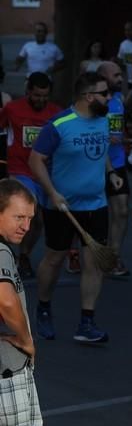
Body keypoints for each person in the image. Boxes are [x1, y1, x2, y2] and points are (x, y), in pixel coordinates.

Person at [28, 72, 119, 344]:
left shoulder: (103, 121)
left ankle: (86, 322)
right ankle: (43, 307)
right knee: (54, 259)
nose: (109, 98)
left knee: (93, 264)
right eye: (104, 93)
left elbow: (100, 153)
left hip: (97, 204)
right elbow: (35, 160)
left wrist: (111, 172)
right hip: (62, 207)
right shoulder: (59, 125)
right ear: (88, 96)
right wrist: (52, 193)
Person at [0, 179, 42, 426]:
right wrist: (26, 339)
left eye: (29, 219)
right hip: (7, 375)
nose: (26, 226)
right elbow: (6, 299)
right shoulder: (0, 252)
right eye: (18, 217)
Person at [0, 72, 60, 279]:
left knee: (38, 221)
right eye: (36, 95)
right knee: (27, 206)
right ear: (28, 92)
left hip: (44, 173)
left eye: (45, 96)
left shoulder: (56, 113)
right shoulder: (12, 109)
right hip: (19, 169)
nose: (41, 100)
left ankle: (23, 255)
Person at [97, 61, 132, 277]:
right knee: (92, 214)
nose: (120, 79)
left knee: (121, 211)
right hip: (95, 165)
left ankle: (113, 258)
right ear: (103, 77)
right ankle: (75, 252)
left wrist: (126, 140)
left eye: (121, 74)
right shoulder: (94, 101)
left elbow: (119, 129)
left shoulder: (119, 100)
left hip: (117, 164)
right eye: (116, 75)